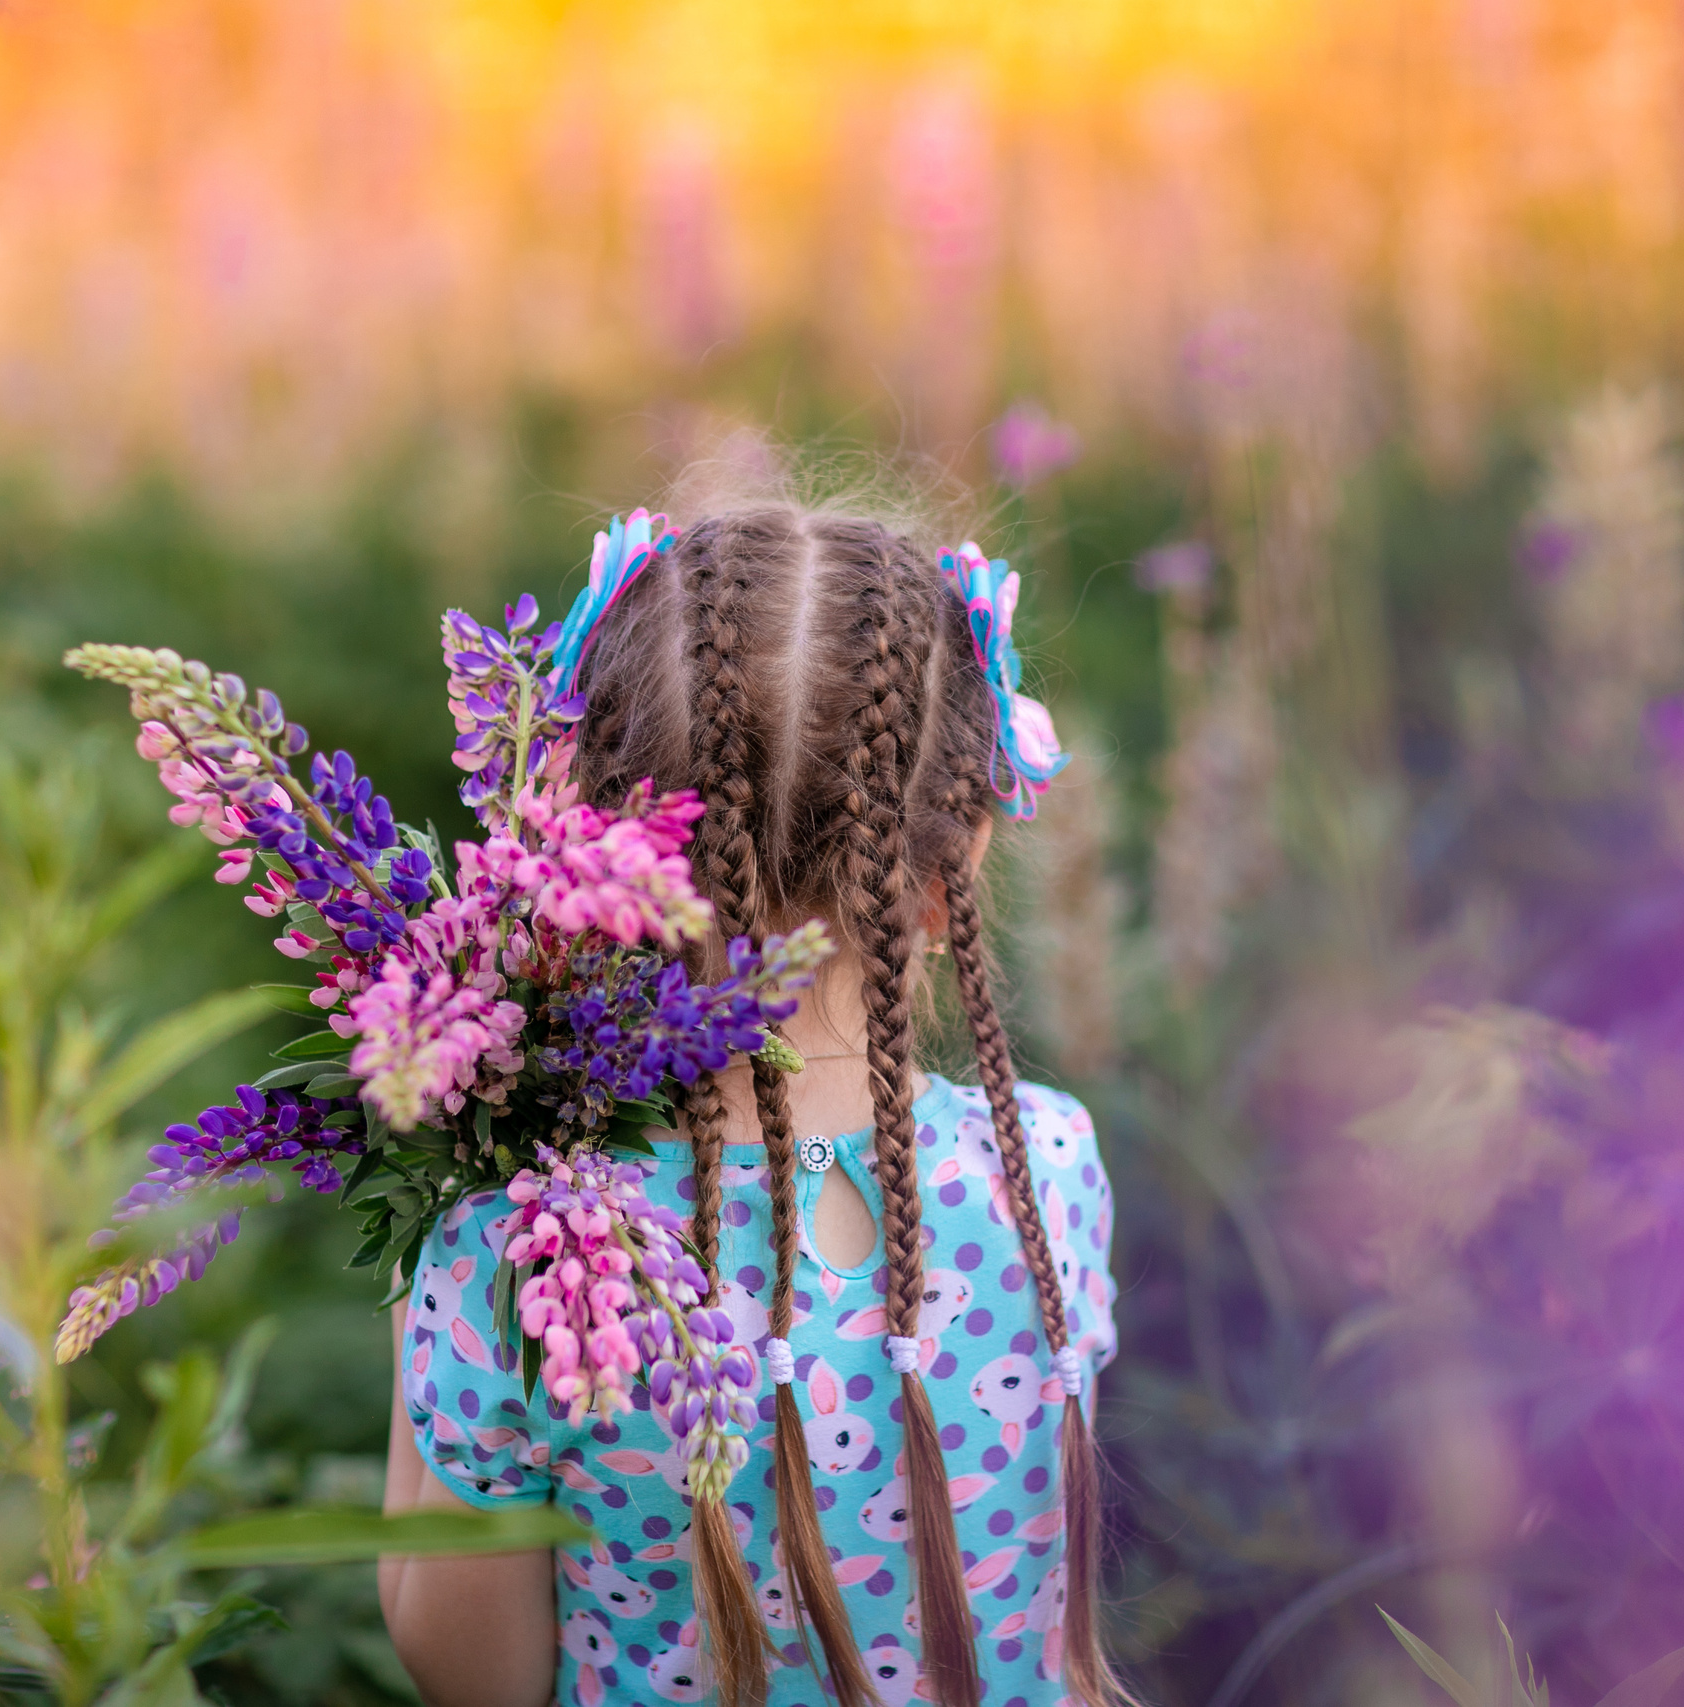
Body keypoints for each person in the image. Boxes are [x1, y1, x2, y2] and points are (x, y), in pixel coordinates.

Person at [379, 501, 1126, 1707]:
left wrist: (427, 1300)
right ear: (952, 870)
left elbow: (472, 1675)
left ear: (588, 840)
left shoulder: (520, 1252)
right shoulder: (1045, 1165)